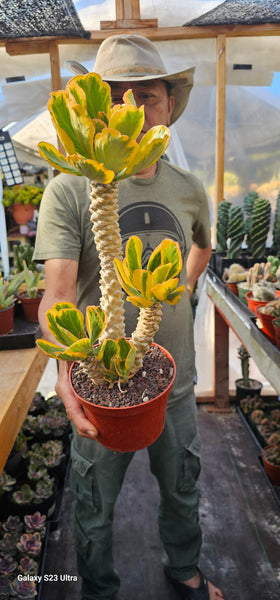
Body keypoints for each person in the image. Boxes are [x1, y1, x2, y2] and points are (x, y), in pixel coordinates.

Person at [34, 34, 224, 600]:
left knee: (182, 487)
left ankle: (185, 571)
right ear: (96, 110)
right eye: (116, 96)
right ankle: (97, 589)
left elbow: (203, 246)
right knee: (93, 502)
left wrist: (182, 290)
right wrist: (66, 373)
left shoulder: (189, 188)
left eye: (149, 97)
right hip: (101, 384)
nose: (133, 111)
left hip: (178, 381)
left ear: (169, 106)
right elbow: (57, 294)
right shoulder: (69, 188)